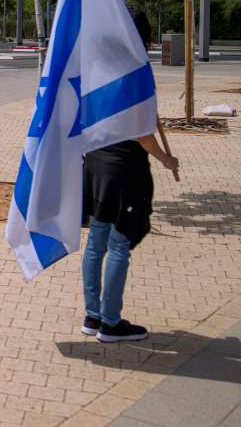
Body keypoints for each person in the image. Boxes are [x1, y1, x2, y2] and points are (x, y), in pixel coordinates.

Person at [80, 129, 180, 343]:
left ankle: (93, 317)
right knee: (118, 245)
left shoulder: (96, 92)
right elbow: (142, 135)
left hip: (96, 162)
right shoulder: (134, 93)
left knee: (96, 244)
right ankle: (110, 323)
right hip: (123, 169)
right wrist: (166, 159)